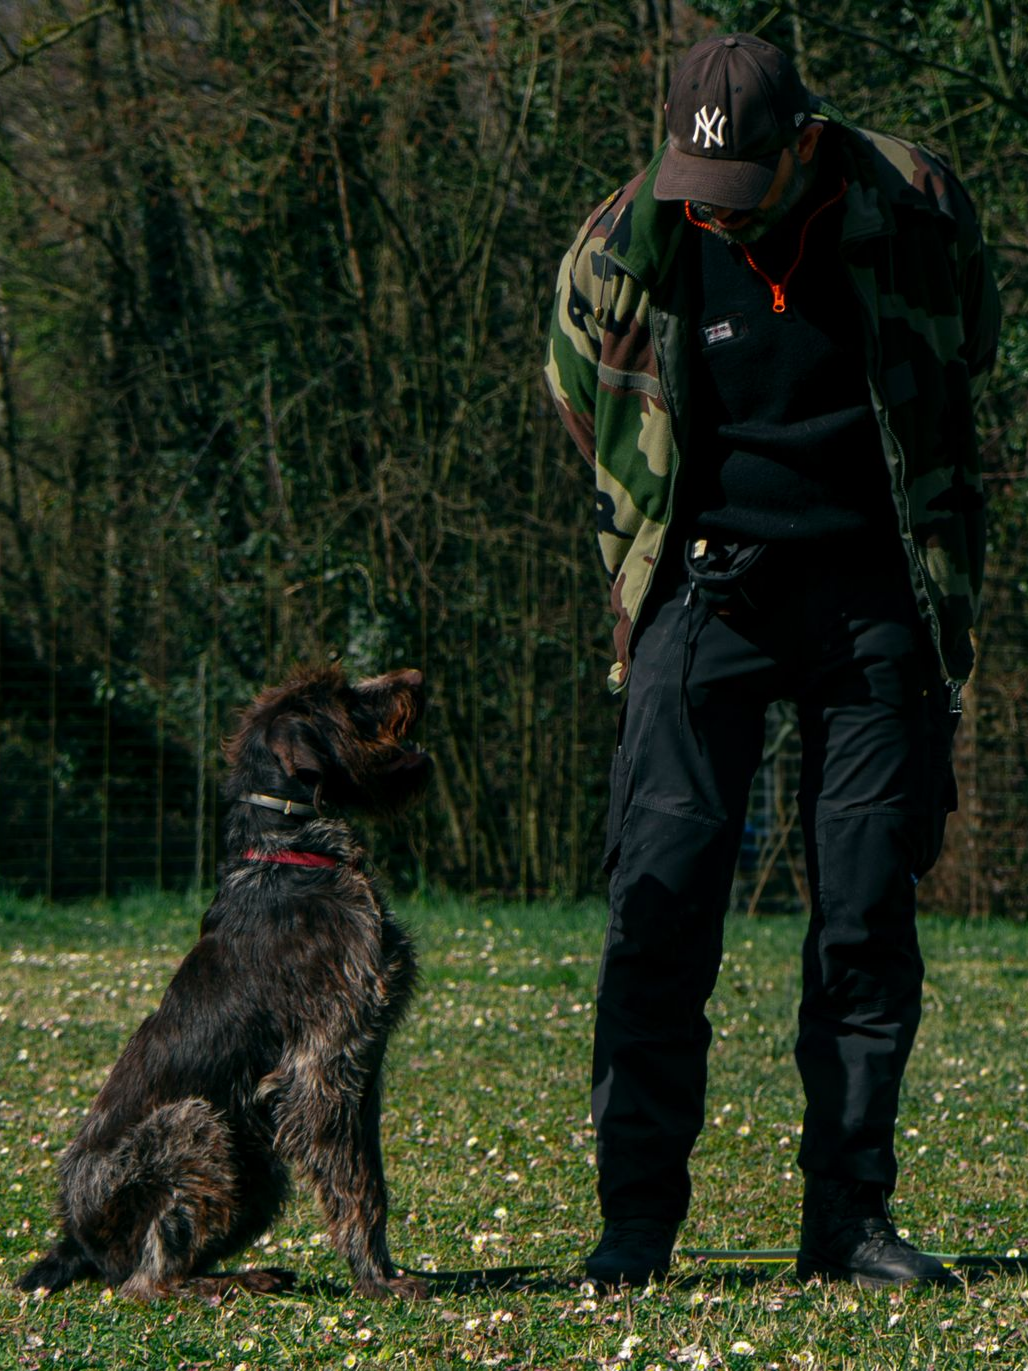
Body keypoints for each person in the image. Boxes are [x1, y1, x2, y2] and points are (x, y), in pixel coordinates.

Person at [544, 32, 999, 1290]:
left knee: (862, 915)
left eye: (747, 192)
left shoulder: (915, 206)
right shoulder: (620, 240)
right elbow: (579, 389)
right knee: (659, 908)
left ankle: (845, 1220)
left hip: (872, 595)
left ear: (804, 141)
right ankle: (633, 1225)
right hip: (701, 592)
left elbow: (969, 356)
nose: (723, 224)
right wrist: (656, 554)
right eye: (705, 200)